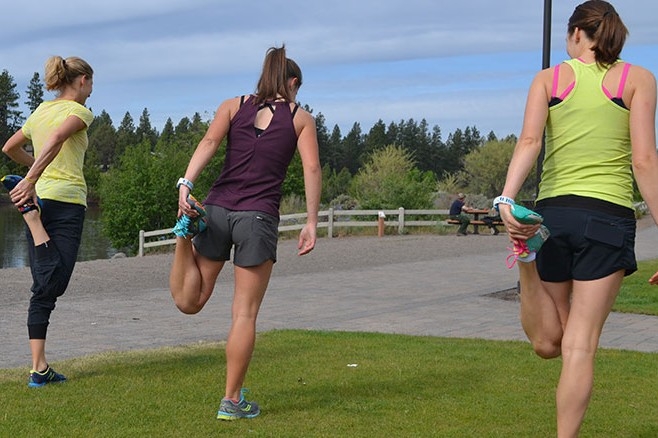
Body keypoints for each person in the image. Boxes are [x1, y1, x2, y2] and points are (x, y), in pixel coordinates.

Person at [495, 1, 658, 436]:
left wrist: (505, 199)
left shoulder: (549, 80)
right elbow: (644, 161)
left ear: (575, 35)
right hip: (607, 218)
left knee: (549, 344)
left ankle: (526, 258)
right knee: (579, 346)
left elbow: (530, 140)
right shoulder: (638, 80)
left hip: (554, 216)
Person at [169, 45, 321, 420]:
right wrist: (311, 221)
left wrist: (185, 184)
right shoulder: (301, 119)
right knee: (244, 314)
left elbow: (208, 143)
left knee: (191, 301)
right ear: (294, 82)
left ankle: (182, 234)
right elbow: (312, 169)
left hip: (217, 209)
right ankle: (232, 400)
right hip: (258, 218)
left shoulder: (232, 106)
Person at [1, 56, 94, 387]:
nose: (91, 91)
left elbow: (11, 147)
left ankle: (38, 369)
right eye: (91, 84)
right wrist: (31, 179)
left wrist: (33, 176)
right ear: (81, 80)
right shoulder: (80, 112)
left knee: (42, 288)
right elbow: (56, 140)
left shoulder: (40, 111)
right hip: (65, 201)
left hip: (39, 197)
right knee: (55, 282)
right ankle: (33, 221)